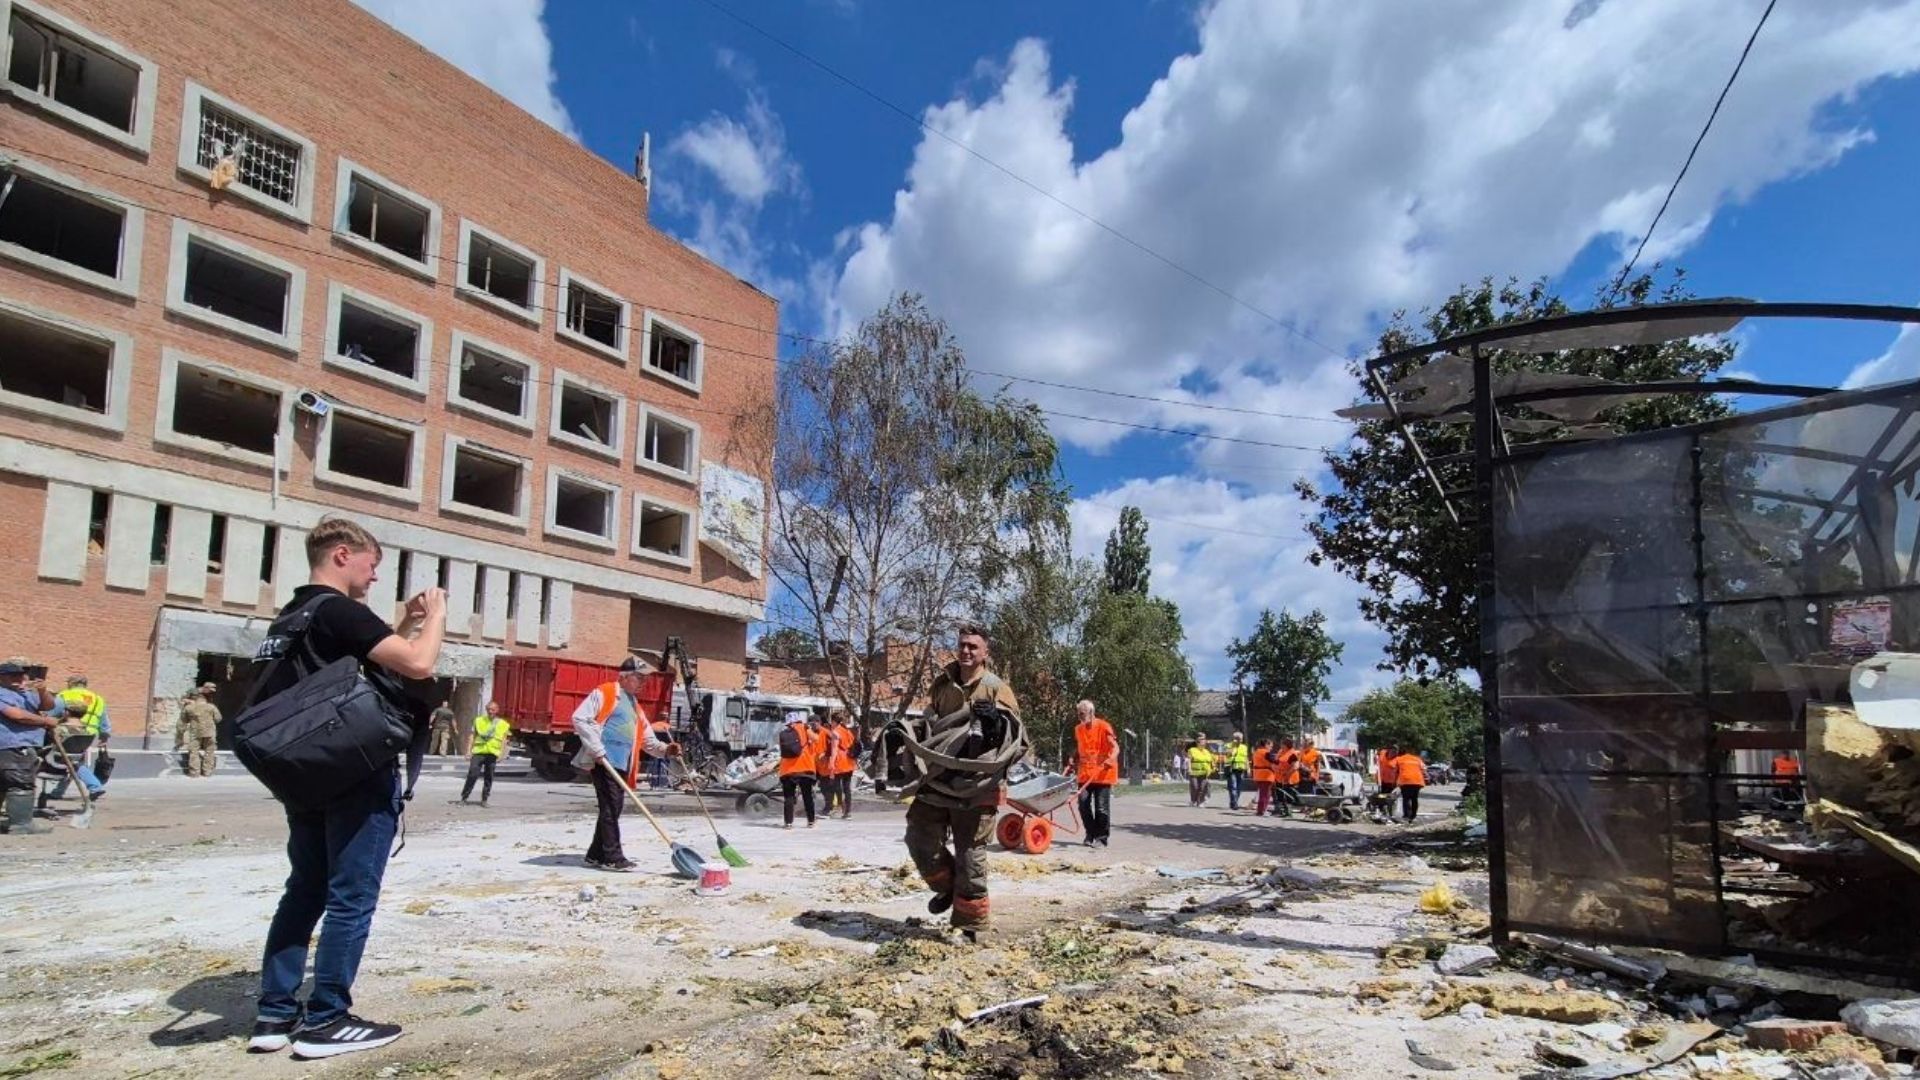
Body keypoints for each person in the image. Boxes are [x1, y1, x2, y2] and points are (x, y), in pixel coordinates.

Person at [248, 517, 447, 1059]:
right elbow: (419, 663)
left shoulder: (294, 616)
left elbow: (361, 652)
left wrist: (404, 619)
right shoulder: (339, 610)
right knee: (350, 898)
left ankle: (274, 1013)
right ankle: (327, 1019)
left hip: (307, 775)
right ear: (341, 555)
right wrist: (438, 619)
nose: (374, 576)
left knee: (305, 889)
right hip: (355, 773)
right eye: (371, 565)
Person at [900, 623, 1022, 938]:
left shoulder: (997, 688)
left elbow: (1018, 741)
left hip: (978, 786)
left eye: (974, 646)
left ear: (985, 652)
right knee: (919, 839)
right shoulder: (942, 685)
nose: (967, 650)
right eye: (963, 645)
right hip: (937, 779)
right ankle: (947, 886)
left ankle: (970, 924)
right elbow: (929, 726)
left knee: (971, 855)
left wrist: (995, 726)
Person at [571, 656, 680, 872]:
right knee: (611, 807)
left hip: (622, 763)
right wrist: (597, 749)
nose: (643, 682)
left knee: (612, 808)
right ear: (625, 677)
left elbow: (647, 739)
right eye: (639, 677)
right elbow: (580, 718)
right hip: (604, 761)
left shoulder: (634, 705)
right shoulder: (606, 692)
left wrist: (666, 749)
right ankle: (613, 857)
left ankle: (596, 854)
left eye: (644, 679)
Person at [0, 661, 61, 835]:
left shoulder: (26, 694)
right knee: (21, 783)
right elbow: (15, 715)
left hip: (21, 744)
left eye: (21, 675)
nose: (19, 679)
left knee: (4, 784)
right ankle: (21, 824)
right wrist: (45, 721)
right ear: (2, 677)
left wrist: (42, 690)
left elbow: (48, 706)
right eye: (14, 676)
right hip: (12, 744)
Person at [50, 674, 109, 800]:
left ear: (71, 683)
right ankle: (59, 791)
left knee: (68, 759)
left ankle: (58, 791)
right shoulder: (98, 699)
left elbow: (52, 713)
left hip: (66, 731)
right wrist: (104, 737)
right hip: (87, 734)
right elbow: (104, 721)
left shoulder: (64, 695)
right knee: (74, 760)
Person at [1071, 700, 1117, 847]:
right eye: (1078, 714)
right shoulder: (1078, 729)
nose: (1080, 717)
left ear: (1091, 713)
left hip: (1103, 773)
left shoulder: (1103, 726)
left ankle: (1102, 837)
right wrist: (1073, 757)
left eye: (1082, 714)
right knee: (1083, 804)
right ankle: (1090, 834)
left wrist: (1112, 758)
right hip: (1085, 773)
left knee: (1101, 808)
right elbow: (1080, 747)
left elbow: (1115, 747)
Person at [461, 702, 510, 806]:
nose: (490, 711)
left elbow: (504, 740)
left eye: (492, 709)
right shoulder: (478, 721)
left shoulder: (503, 724)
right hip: (479, 752)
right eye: (488, 709)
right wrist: (468, 751)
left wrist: (502, 754)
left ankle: (484, 799)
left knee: (489, 777)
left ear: (497, 710)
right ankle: (464, 797)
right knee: (472, 774)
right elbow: (472, 736)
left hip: (492, 753)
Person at [778, 710, 821, 829]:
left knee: (789, 797)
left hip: (787, 770)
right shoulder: (804, 727)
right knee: (807, 795)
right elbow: (816, 739)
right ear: (798, 720)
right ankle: (811, 821)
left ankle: (788, 823)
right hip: (804, 768)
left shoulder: (784, 733)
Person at [179, 683, 222, 778]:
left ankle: (194, 772)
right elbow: (218, 719)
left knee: (194, 751)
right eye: (210, 691)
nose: (211, 693)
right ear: (205, 688)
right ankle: (207, 772)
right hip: (210, 732)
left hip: (195, 731)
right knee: (210, 751)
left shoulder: (189, 708)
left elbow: (184, 719)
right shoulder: (210, 706)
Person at [1393, 749, 1427, 823]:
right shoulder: (1417, 759)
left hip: (1406, 780)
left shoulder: (1399, 759)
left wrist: (1395, 782)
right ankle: (1413, 815)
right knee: (1414, 798)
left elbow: (1395, 770)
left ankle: (1407, 816)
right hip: (1417, 781)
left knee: (1406, 798)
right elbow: (1424, 768)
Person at [1223, 731, 1250, 811]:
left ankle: (1234, 802)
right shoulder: (1228, 746)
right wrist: (1233, 747)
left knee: (1239, 787)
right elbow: (1228, 754)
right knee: (1233, 786)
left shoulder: (1244, 747)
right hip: (1231, 769)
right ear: (1234, 739)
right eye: (1238, 739)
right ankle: (1234, 803)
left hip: (1241, 769)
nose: (1240, 740)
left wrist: (1248, 768)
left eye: (1241, 739)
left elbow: (1246, 758)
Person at [1273, 739, 1300, 817]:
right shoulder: (1281, 752)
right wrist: (1274, 767)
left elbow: (1295, 766)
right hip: (1279, 778)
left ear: (1286, 745)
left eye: (1282, 744)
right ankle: (1282, 811)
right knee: (1280, 795)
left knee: (1288, 795)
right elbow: (1276, 761)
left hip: (1289, 778)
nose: (1281, 746)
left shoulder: (1293, 753)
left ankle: (1288, 812)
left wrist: (1287, 775)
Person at [1250, 738, 1276, 817]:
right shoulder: (1266, 753)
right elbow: (1275, 762)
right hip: (1266, 775)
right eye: (1270, 746)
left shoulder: (1256, 752)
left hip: (1258, 775)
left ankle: (1261, 810)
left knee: (1263, 793)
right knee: (1265, 794)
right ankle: (1261, 811)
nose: (1271, 748)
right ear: (1266, 745)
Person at [1187, 737, 1215, 807]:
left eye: (1204, 742)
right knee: (1195, 786)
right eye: (1202, 742)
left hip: (1204, 773)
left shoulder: (1207, 752)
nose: (1204, 744)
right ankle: (1193, 800)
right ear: (1197, 743)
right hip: (1194, 772)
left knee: (1203, 788)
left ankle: (1200, 802)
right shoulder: (1192, 750)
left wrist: (1212, 768)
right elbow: (1189, 760)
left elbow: (1210, 761)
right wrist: (1189, 768)